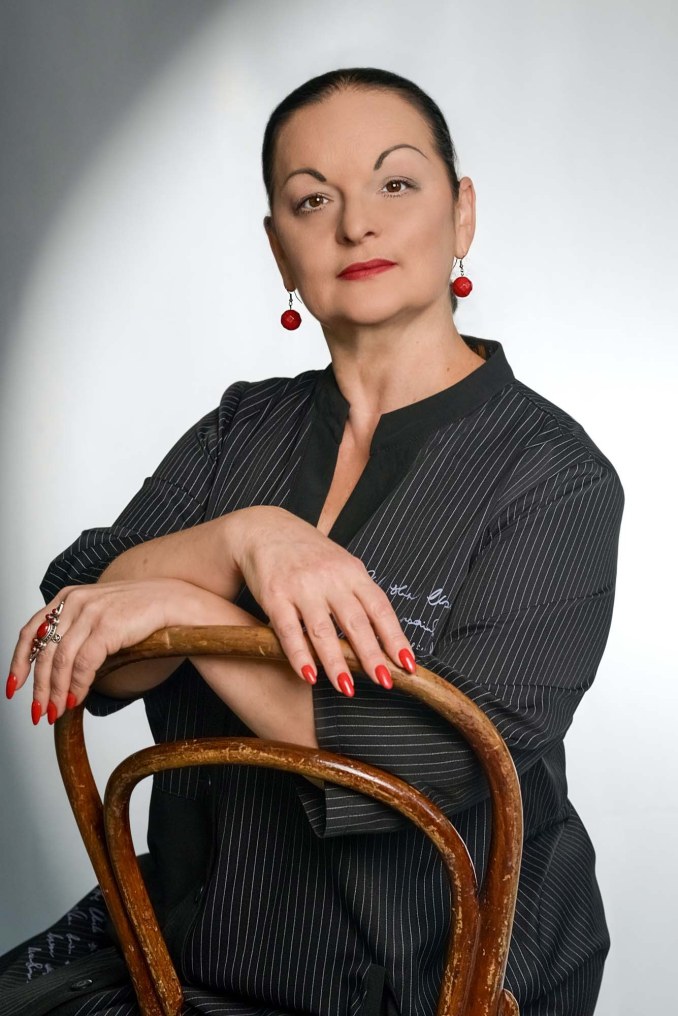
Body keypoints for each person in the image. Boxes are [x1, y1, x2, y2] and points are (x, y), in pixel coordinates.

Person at [1, 67, 624, 1016]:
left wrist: (192, 611)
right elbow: (79, 637)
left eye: (395, 183)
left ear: (461, 214)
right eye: (311, 199)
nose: (356, 224)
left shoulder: (555, 477)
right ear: (279, 248)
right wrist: (242, 540)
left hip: (438, 979)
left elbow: (440, 762)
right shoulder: (239, 431)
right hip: (194, 954)